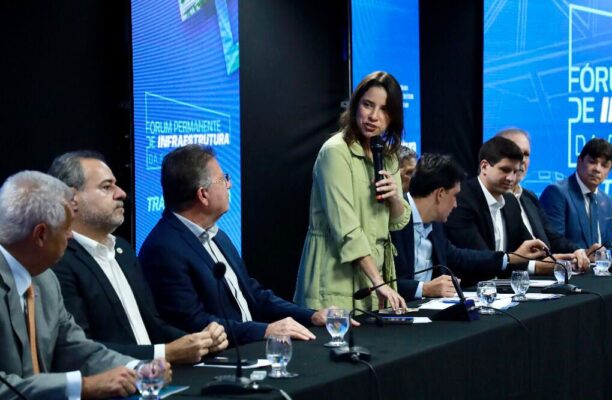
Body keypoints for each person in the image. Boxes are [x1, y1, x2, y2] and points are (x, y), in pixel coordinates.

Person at [49, 151, 228, 364]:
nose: (121, 193)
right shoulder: (59, 262)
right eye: (106, 187)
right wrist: (164, 353)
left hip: (158, 376)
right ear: (72, 199)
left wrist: (200, 341)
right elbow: (81, 349)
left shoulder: (122, 251)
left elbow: (154, 326)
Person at [139, 145, 329, 344]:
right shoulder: (163, 250)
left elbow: (252, 294)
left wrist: (311, 316)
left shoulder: (216, 235)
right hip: (221, 357)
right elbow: (194, 323)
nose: (229, 184)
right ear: (203, 194)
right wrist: (265, 330)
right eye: (223, 179)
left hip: (250, 347)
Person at [0, 171, 144, 399]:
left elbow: (74, 347)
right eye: (67, 227)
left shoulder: (46, 280)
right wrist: (83, 387)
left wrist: (137, 369)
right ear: (41, 234)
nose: (71, 236)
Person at [294, 71, 412, 311]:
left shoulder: (388, 156)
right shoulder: (335, 152)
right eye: (368, 105)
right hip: (334, 277)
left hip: (374, 279)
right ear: (356, 105)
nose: (373, 116)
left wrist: (394, 199)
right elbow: (346, 229)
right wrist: (378, 282)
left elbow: (397, 222)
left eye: (384, 109)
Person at [392, 154, 547, 301]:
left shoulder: (435, 222)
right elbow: (383, 281)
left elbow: (459, 257)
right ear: (440, 194)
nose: (455, 204)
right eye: (454, 196)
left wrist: (511, 258)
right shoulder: (394, 218)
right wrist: (423, 289)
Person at [444, 137, 572, 282]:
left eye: (515, 172)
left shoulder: (511, 201)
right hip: (469, 287)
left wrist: (551, 259)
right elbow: (478, 260)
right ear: (484, 166)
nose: (511, 178)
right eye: (505, 170)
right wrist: (532, 264)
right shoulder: (461, 200)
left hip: (504, 287)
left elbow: (525, 250)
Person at [496, 128, 590, 272]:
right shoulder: (492, 198)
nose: (522, 160)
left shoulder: (529, 197)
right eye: (516, 153)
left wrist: (578, 251)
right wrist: (537, 266)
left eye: (526, 154)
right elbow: (496, 256)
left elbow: (552, 237)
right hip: (514, 278)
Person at [539, 138, 612, 251]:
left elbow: (609, 247)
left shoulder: (607, 201)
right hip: (569, 262)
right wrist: (585, 254)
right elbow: (553, 242)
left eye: (604, 165)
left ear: (609, 172)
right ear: (579, 162)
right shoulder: (556, 193)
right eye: (592, 162)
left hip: (601, 263)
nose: (597, 169)